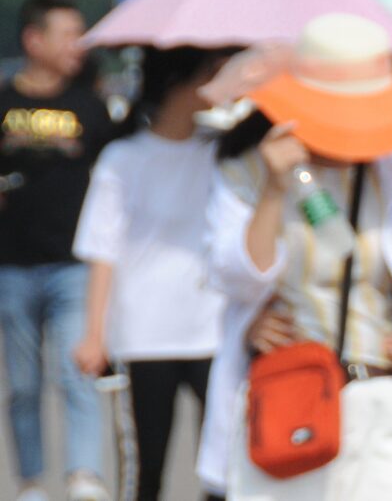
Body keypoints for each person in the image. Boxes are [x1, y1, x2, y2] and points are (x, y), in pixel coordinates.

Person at [195, 13, 392, 501]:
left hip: (378, 397)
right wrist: (273, 191)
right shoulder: (246, 172)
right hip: (289, 396)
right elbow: (237, 276)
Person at [71, 46, 236, 500]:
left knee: (223, 469)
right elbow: (102, 250)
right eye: (212, 74)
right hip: (143, 333)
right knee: (146, 471)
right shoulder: (122, 158)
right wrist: (94, 334)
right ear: (178, 82)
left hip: (213, 330)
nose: (221, 86)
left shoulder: (223, 152)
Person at [0, 0, 114, 501]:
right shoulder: (4, 102)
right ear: (34, 39)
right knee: (23, 384)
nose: (78, 44)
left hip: (73, 263)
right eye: (68, 34)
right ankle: (30, 480)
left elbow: (115, 177)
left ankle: (83, 473)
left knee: (76, 372)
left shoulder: (90, 105)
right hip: (11, 263)